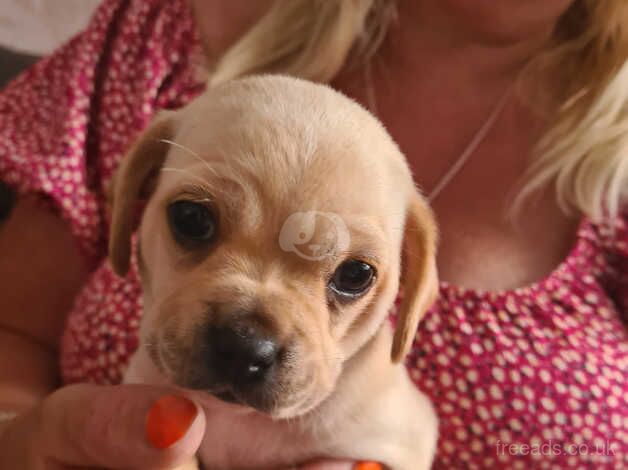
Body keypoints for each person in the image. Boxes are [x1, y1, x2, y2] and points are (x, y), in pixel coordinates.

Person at [0, 0, 626, 468]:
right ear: (136, 190)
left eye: (351, 276)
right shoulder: (161, 32)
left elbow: (399, 445)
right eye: (196, 222)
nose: (250, 339)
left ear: (410, 298)